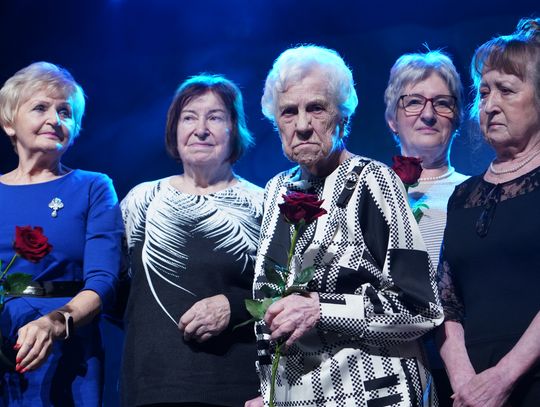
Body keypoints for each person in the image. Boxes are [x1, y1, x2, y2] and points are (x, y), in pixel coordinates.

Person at [246, 45, 443, 407]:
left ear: (342, 116)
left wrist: (322, 308)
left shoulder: (374, 181)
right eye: (288, 112)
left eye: (316, 108)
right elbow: (267, 304)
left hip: (374, 394)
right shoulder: (275, 191)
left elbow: (421, 306)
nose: (302, 125)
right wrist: (268, 392)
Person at [120, 74, 263, 406]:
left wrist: (234, 306)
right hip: (150, 388)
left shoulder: (263, 204)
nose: (201, 129)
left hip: (237, 391)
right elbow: (116, 291)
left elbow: (285, 296)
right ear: (174, 129)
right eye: (189, 118)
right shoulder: (140, 200)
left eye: (215, 117)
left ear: (234, 129)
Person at [0, 62, 123, 405]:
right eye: (40, 107)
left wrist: (54, 324)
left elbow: (103, 282)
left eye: (65, 112)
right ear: (9, 122)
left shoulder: (93, 187)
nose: (55, 119)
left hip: (67, 348)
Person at [437, 17, 540, 407]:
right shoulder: (463, 196)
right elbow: (447, 303)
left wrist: (503, 377)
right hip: (472, 392)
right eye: (483, 92)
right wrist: (466, 382)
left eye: (506, 90)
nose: (490, 105)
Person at [384, 50, 469, 406]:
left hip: (462, 365)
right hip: (389, 366)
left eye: (442, 103)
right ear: (392, 118)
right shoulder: (371, 193)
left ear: (458, 117)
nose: (429, 114)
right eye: (414, 102)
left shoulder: (475, 193)